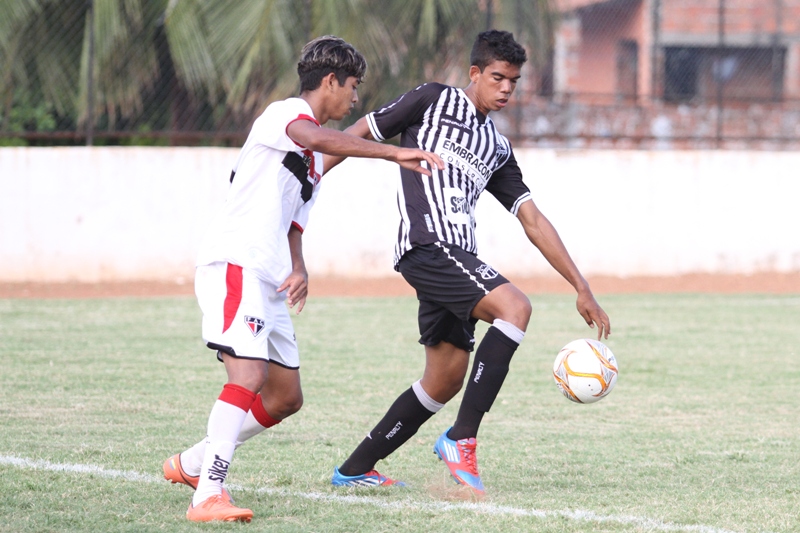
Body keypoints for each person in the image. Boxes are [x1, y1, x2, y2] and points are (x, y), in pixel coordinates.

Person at [162, 35, 443, 522]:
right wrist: (391, 153)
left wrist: (299, 265)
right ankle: (207, 494)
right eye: (352, 87)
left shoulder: (310, 157)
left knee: (285, 396)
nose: (355, 99)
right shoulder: (284, 114)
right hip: (236, 261)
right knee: (247, 376)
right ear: (329, 81)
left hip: (269, 273)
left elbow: (294, 217)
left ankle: (191, 463)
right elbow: (313, 137)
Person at [326, 30, 610, 495]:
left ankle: (355, 469)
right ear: (474, 73)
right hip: (427, 246)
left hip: (458, 257)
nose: (505, 89)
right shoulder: (431, 100)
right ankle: (462, 437)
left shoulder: (497, 148)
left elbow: (533, 220)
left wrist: (581, 286)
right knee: (515, 308)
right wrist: (313, 173)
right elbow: (361, 132)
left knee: (444, 379)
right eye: (497, 77)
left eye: (514, 82)